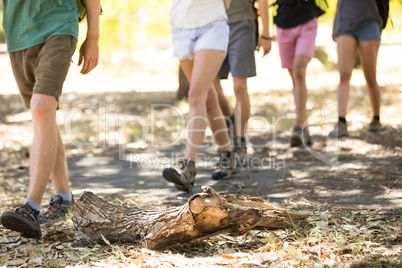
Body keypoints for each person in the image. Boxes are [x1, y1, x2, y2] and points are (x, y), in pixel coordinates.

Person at [0, 0, 100, 238]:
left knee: (41, 108)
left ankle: (31, 208)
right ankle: (63, 196)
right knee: (44, 116)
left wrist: (93, 37)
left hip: (58, 24)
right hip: (18, 33)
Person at [162, 0, 238, 194]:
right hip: (180, 25)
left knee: (195, 94)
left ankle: (188, 168)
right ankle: (228, 154)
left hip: (212, 23)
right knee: (208, 98)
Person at [212, 0, 271, 165]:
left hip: (242, 23)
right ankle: (231, 120)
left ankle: (240, 141)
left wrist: (266, 33)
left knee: (239, 86)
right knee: (211, 86)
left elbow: (263, 2)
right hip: (214, 25)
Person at [273, 0, 326, 147]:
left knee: (299, 71)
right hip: (283, 21)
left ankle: (298, 127)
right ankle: (304, 127)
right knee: (295, 79)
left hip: (306, 18)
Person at [329, 0, 384, 137]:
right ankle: (341, 121)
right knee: (344, 74)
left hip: (369, 23)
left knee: (370, 76)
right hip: (344, 23)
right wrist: (335, 24)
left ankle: (376, 118)